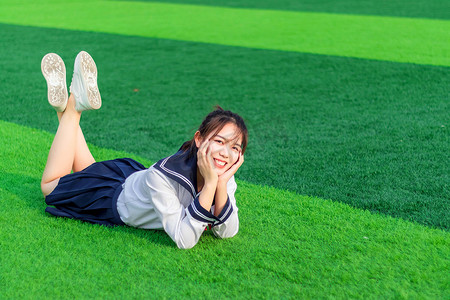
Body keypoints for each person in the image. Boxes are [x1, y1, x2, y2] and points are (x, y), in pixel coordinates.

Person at [40, 51, 248, 249]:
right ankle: (75, 105)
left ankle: (66, 107)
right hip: (111, 198)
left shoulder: (223, 176)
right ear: (199, 139)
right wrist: (212, 183)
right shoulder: (165, 176)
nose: (225, 153)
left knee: (90, 170)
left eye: (235, 147)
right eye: (219, 142)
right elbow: (184, 239)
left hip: (129, 179)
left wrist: (219, 184)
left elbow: (227, 231)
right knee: (49, 186)